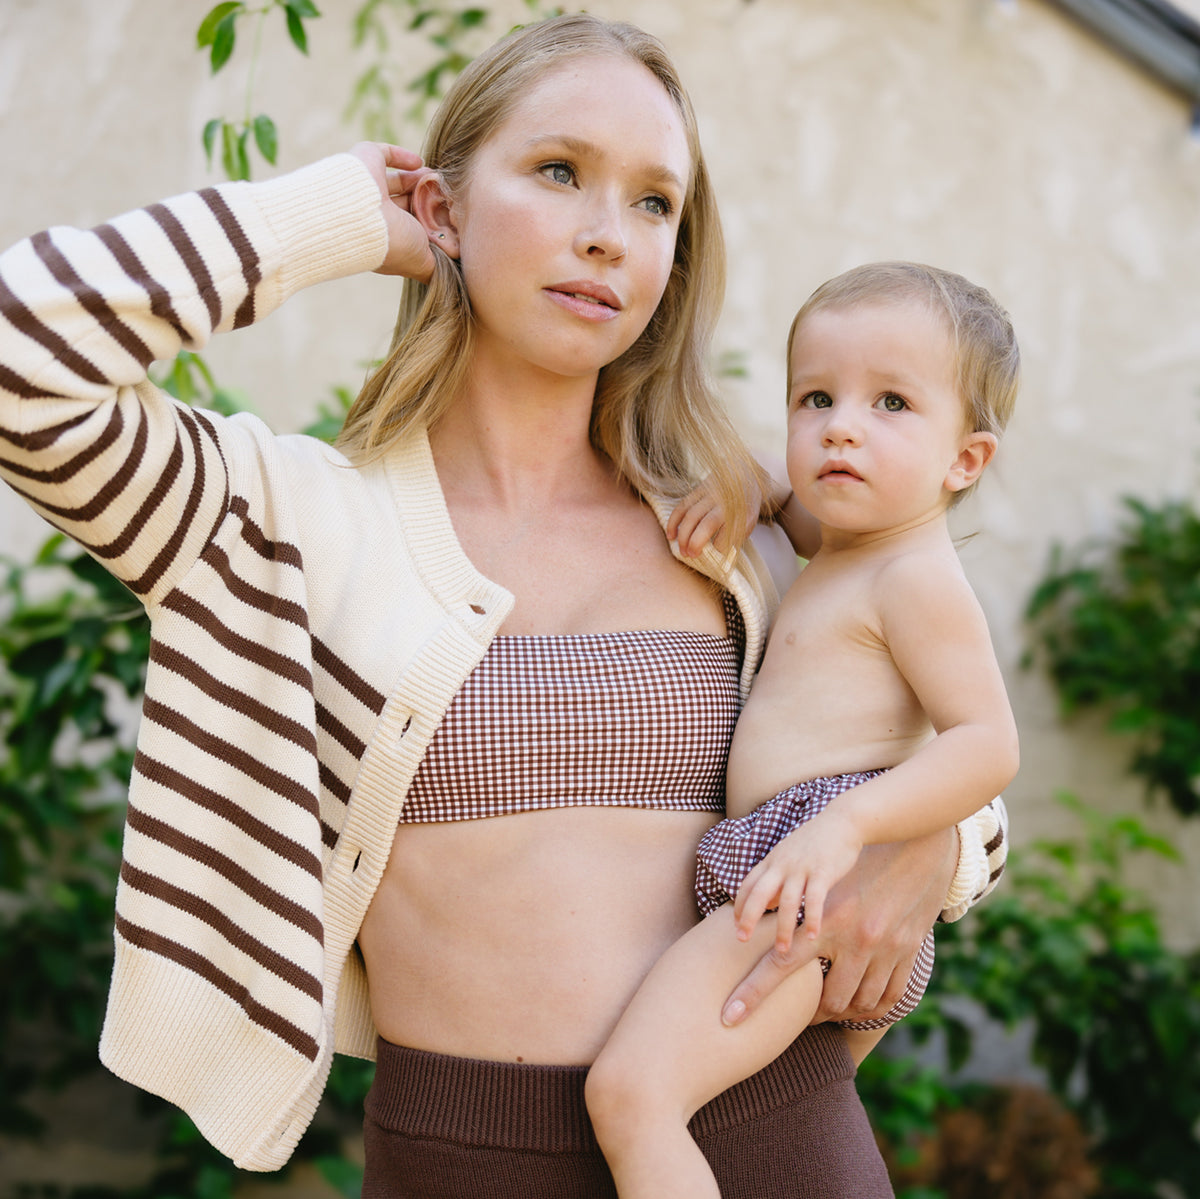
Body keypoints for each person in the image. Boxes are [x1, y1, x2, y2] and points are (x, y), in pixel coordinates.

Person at [0, 14, 1008, 1197]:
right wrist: (324, 218)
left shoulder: (730, 529)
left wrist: (928, 847)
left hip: (772, 1138)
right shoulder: (278, 519)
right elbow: (23, 358)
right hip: (464, 1159)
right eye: (559, 171)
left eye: (653, 204)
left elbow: (942, 750)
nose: (604, 237)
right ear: (442, 208)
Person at [583, 261, 1021, 1197]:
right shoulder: (851, 545)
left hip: (816, 870)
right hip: (802, 869)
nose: (841, 426)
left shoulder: (917, 579)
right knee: (776, 1135)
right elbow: (785, 497)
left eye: (892, 402)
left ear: (965, 460)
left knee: (633, 1096)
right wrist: (746, 486)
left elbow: (988, 743)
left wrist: (849, 826)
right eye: (815, 397)